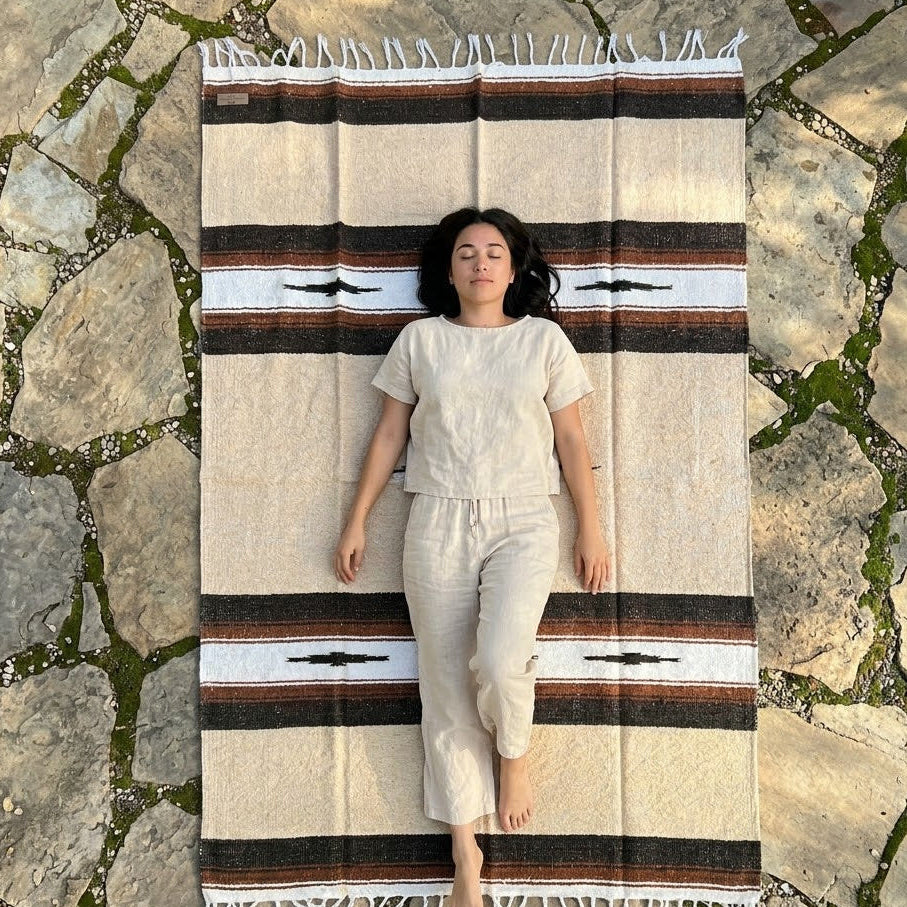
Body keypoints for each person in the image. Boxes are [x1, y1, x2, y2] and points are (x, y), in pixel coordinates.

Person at [333, 207, 611, 907]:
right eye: (465, 253)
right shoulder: (418, 340)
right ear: (447, 268)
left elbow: (573, 443)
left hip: (522, 518)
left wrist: (591, 528)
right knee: (444, 687)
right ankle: (465, 856)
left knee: (496, 657)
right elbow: (388, 436)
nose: (480, 263)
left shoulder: (543, 341)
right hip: (434, 520)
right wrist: (357, 519)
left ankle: (512, 754)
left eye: (493, 252)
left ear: (514, 269)